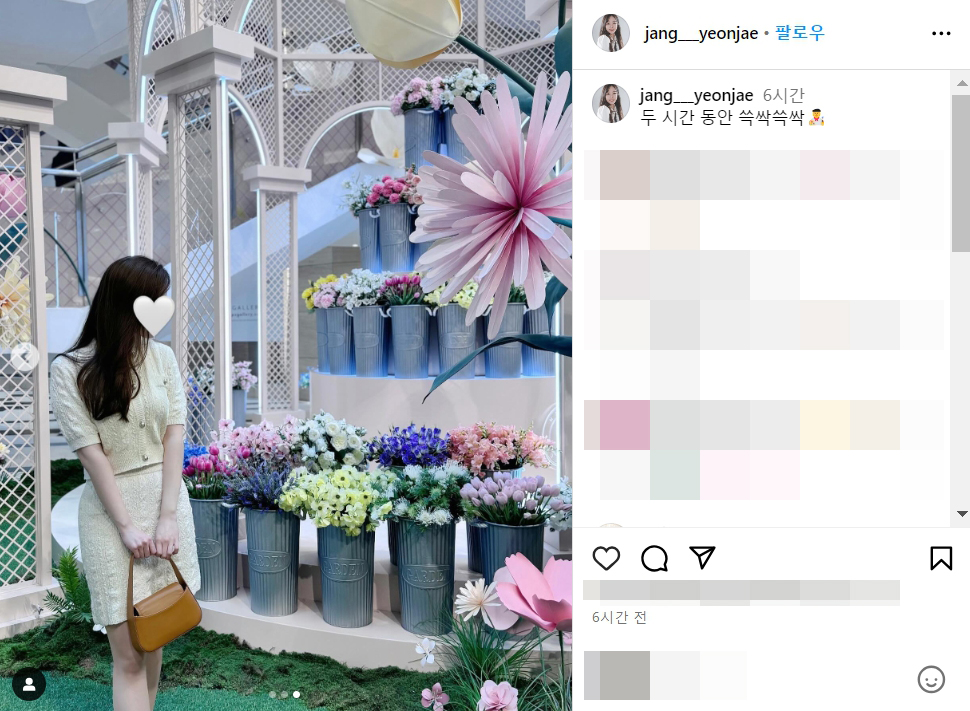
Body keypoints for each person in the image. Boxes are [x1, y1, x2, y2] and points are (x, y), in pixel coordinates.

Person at [49, 255, 201, 711]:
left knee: (155, 635)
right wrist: (126, 527)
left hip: (167, 503)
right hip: (111, 512)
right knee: (129, 656)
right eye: (155, 299)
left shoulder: (163, 357)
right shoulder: (70, 369)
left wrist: (168, 516)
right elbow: (91, 454)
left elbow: (175, 435)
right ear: (128, 303)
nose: (161, 308)